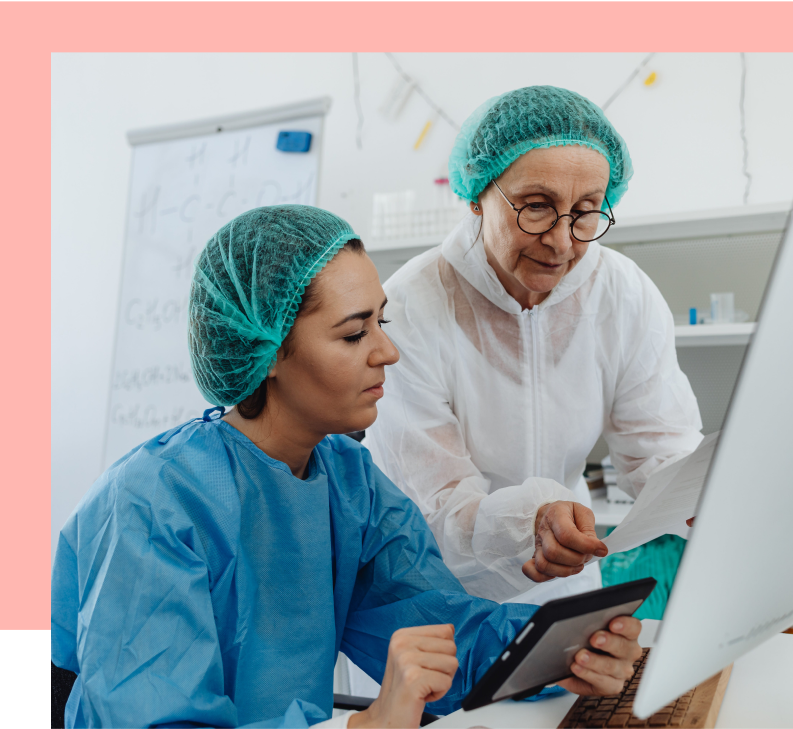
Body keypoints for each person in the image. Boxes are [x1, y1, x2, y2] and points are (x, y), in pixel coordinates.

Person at [51, 206, 643, 729]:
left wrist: (553, 654)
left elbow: (435, 626)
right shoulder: (151, 505)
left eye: (380, 323)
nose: (387, 352)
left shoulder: (347, 480)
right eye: (355, 332)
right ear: (269, 350)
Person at [366, 85, 703, 609]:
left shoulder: (621, 292)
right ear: (477, 195)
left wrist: (702, 498)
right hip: (442, 598)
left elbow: (659, 449)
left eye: (587, 210)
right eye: (537, 207)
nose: (563, 242)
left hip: (566, 588)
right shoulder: (409, 310)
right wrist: (531, 524)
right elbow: (436, 505)